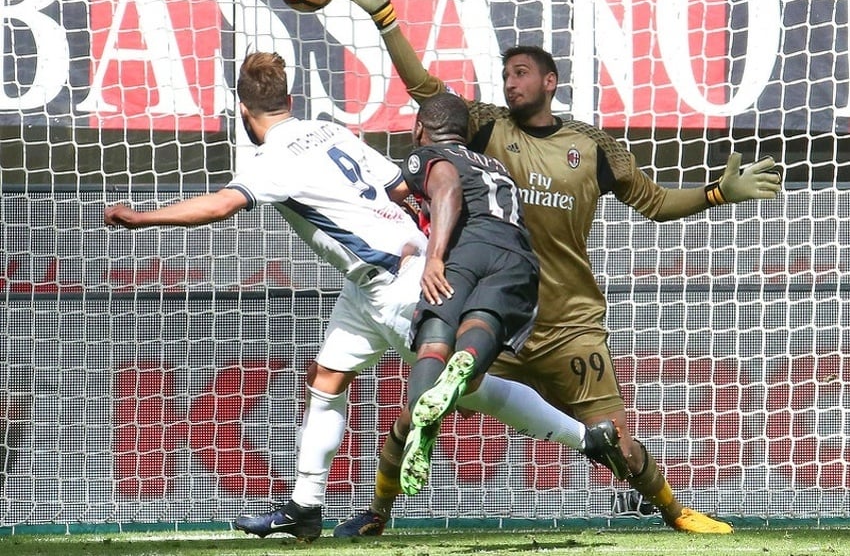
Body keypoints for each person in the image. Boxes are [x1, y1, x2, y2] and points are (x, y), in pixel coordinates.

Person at [331, 0, 783, 536]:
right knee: (423, 403)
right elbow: (429, 95)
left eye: (520, 72)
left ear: (549, 82)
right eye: (506, 73)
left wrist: (717, 192)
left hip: (570, 324)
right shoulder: (489, 128)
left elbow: (653, 202)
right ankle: (378, 514)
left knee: (616, 442)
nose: (509, 81)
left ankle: (675, 511)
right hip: (497, 309)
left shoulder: (593, 146)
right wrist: (386, 17)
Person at [104, 51, 628, 542]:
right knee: (327, 377)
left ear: (243, 110)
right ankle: (304, 508)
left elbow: (221, 206)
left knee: (467, 392)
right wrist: (411, 232)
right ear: (290, 102)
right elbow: (397, 183)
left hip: (392, 283)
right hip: (374, 278)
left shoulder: (271, 160)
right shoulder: (330, 130)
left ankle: (587, 438)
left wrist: (141, 217)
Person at [396, 92, 541, 496]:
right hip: (517, 256)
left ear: (420, 127)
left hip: (466, 249)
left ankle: (421, 425)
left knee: (434, 338)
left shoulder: (427, 156)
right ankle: (468, 361)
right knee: (481, 323)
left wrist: (434, 257)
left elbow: (446, 189)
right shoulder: (497, 165)